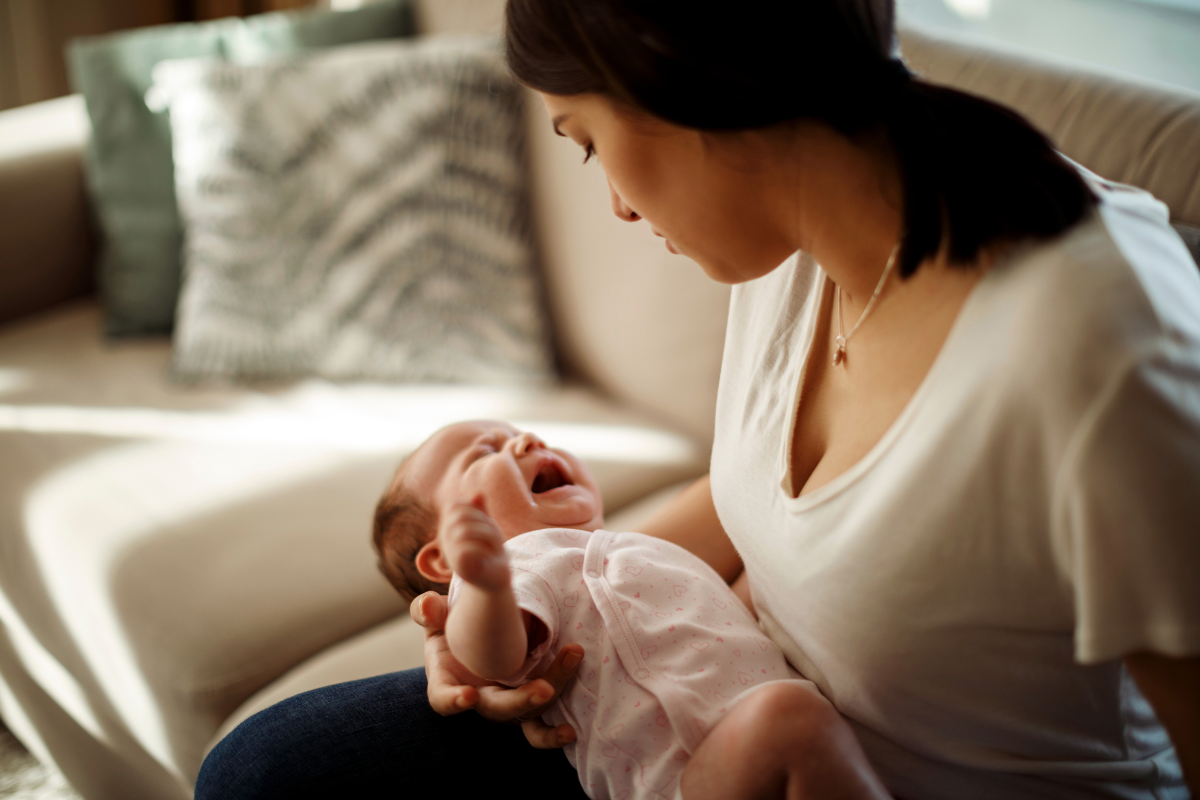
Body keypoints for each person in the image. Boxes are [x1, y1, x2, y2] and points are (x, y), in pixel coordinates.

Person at [196, 0, 1200, 798]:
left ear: (667, 75)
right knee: (262, 767)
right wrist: (509, 607)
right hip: (725, 733)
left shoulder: (1094, 341)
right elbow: (779, 501)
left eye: (585, 140)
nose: (620, 206)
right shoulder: (786, 236)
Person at [371, 419, 833, 800]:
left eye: (527, 434)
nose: (529, 440)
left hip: (759, 750)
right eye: (483, 453)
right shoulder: (520, 564)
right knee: (790, 719)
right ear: (444, 560)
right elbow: (494, 657)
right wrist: (483, 585)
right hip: (681, 777)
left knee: (798, 725)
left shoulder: (635, 554)